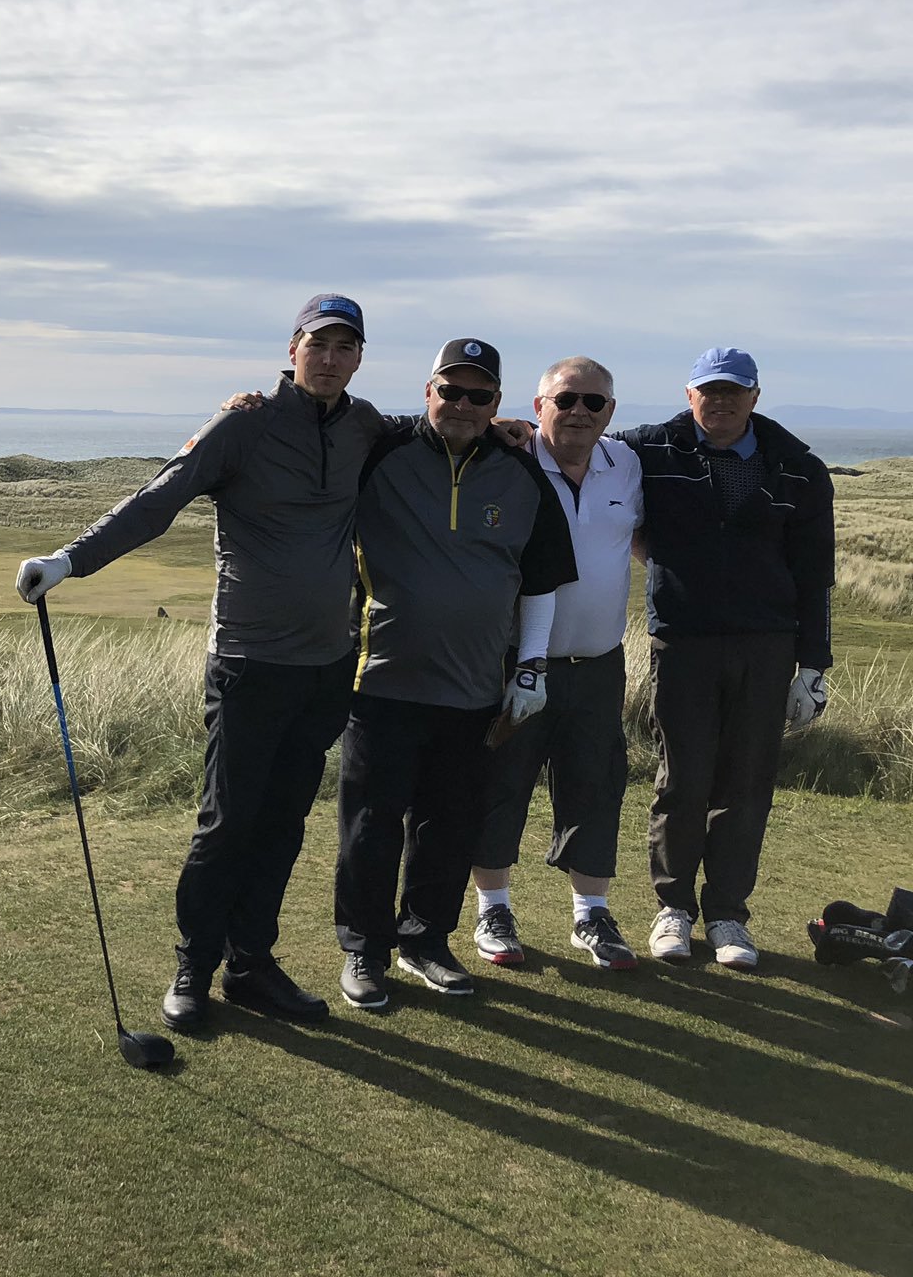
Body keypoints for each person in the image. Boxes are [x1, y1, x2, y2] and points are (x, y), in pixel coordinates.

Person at [16, 294, 384, 1031]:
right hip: (249, 660)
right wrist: (70, 561)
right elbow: (160, 499)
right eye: (319, 344)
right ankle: (195, 967)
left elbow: (434, 433)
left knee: (283, 823)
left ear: (359, 357)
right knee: (227, 824)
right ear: (293, 348)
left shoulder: (367, 427)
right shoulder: (243, 423)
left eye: (346, 347)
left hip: (326, 665)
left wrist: (512, 429)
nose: (331, 358)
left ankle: (253, 966)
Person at [333, 338, 577, 1011]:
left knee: (448, 824)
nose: (464, 405)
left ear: (497, 402)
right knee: (371, 825)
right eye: (451, 390)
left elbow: (540, 581)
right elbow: (316, 426)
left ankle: (425, 942)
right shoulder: (381, 452)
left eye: (479, 395)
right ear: (428, 391)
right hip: (379, 680)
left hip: (475, 690)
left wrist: (531, 667)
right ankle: (364, 950)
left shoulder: (520, 473)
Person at [624, 347, 835, 970]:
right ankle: (674, 909)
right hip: (683, 641)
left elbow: (814, 572)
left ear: (755, 395)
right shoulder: (650, 448)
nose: (720, 402)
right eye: (707, 391)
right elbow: (578, 445)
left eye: (733, 391)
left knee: (745, 784)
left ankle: (726, 915)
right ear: (689, 395)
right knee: (682, 779)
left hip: (766, 645)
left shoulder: (797, 466)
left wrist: (813, 665)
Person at [466, 356, 645, 971]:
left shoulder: (628, 462)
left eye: (593, 403)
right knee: (501, 782)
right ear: (538, 405)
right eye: (565, 400)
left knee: (595, 785)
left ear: (610, 413)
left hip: (599, 662)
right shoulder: (507, 460)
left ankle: (590, 916)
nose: (578, 412)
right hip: (514, 661)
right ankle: (493, 906)